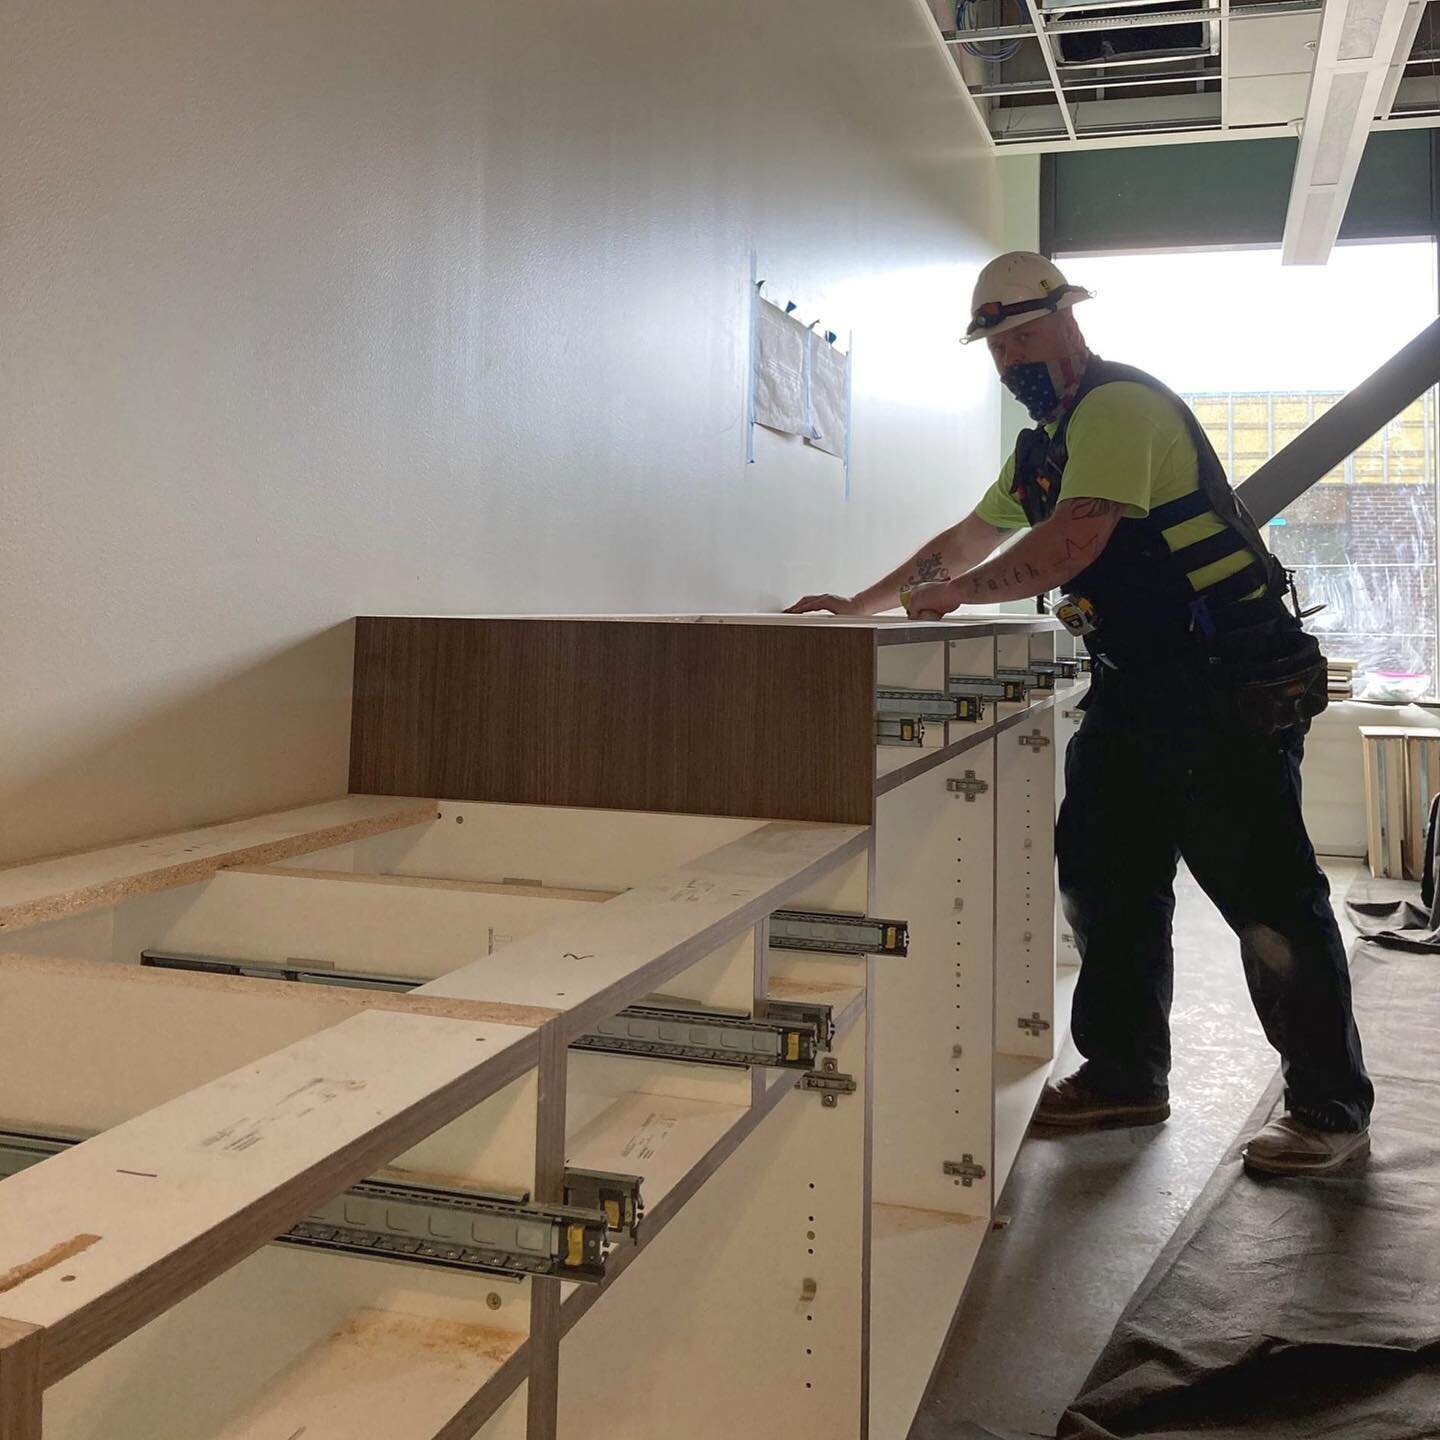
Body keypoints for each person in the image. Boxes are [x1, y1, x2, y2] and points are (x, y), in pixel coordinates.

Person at [787, 251, 1373, 1177]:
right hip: (1138, 688)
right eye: (997, 344)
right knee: (1104, 876)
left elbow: (1074, 541)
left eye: (1025, 333)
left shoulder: (1119, 408)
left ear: (1068, 323)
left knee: (1265, 899)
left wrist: (958, 597)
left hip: (1227, 687)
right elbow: (967, 539)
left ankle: (1329, 1105)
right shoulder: (1043, 448)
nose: (1013, 356)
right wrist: (860, 604)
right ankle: (1124, 1074)